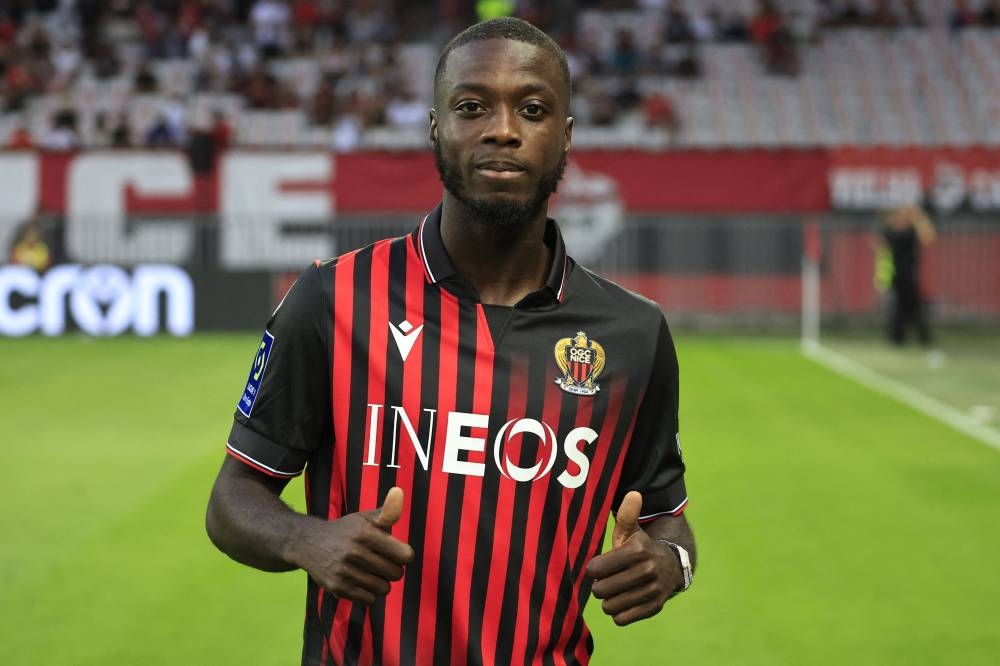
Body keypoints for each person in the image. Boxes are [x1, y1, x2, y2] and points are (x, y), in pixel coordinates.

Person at [206, 17, 696, 666]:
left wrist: (672, 563)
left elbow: (668, 516)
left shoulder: (634, 334)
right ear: (436, 126)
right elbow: (233, 497)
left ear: (566, 135)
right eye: (471, 107)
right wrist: (306, 540)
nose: (502, 128)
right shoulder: (334, 300)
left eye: (532, 108)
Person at [879, 204, 935, 346]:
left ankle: (899, 337)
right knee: (911, 307)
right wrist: (918, 218)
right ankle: (920, 337)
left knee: (901, 307)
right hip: (901, 275)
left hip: (904, 274)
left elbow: (928, 238)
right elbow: (928, 237)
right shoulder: (900, 233)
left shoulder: (903, 232)